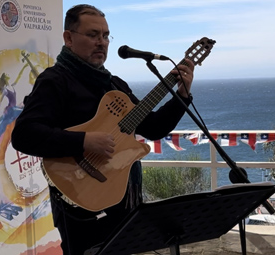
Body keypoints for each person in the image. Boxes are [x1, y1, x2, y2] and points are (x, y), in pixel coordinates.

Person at [11, 4, 195, 255]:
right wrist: (83, 140)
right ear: (69, 38)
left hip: (122, 198)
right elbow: (24, 135)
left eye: (106, 36)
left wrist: (182, 95)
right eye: (93, 35)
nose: (102, 42)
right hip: (80, 203)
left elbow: (153, 128)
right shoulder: (55, 81)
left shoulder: (114, 85)